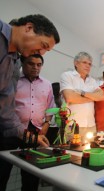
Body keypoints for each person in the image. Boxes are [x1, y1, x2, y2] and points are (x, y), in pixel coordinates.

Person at [0, 14, 60, 191]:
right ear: (28, 28)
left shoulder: (14, 63)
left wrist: (32, 137)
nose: (41, 54)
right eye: (43, 46)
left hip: (25, 130)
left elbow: (5, 112)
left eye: (45, 52)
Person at [14, 54, 55, 190]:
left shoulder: (47, 84)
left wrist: (47, 123)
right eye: (31, 64)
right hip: (13, 130)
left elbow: (50, 106)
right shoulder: (13, 80)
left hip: (35, 131)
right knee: (3, 169)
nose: (35, 67)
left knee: (31, 174)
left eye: (39, 65)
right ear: (22, 63)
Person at [60, 52, 104, 144]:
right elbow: (70, 97)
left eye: (90, 64)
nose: (88, 66)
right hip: (71, 125)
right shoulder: (67, 76)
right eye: (84, 62)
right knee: (71, 153)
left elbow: (101, 96)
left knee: (90, 152)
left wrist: (83, 93)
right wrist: (93, 97)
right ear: (76, 63)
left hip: (91, 125)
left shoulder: (92, 80)